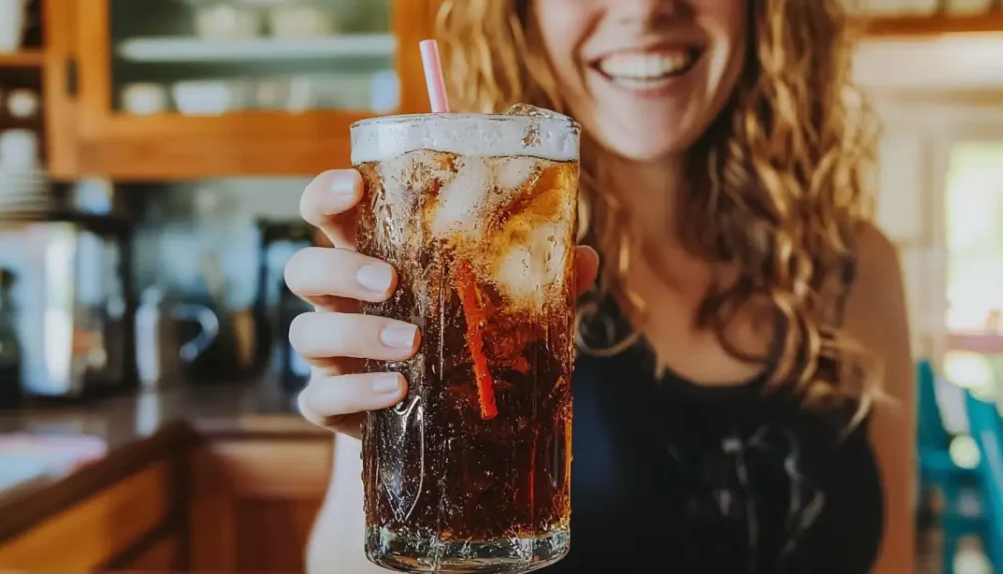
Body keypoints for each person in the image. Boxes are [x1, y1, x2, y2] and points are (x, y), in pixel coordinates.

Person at [283, 0, 915, 572]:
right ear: (520, 12)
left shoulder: (858, 266)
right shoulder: (434, 246)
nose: (643, 10)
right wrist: (386, 451)